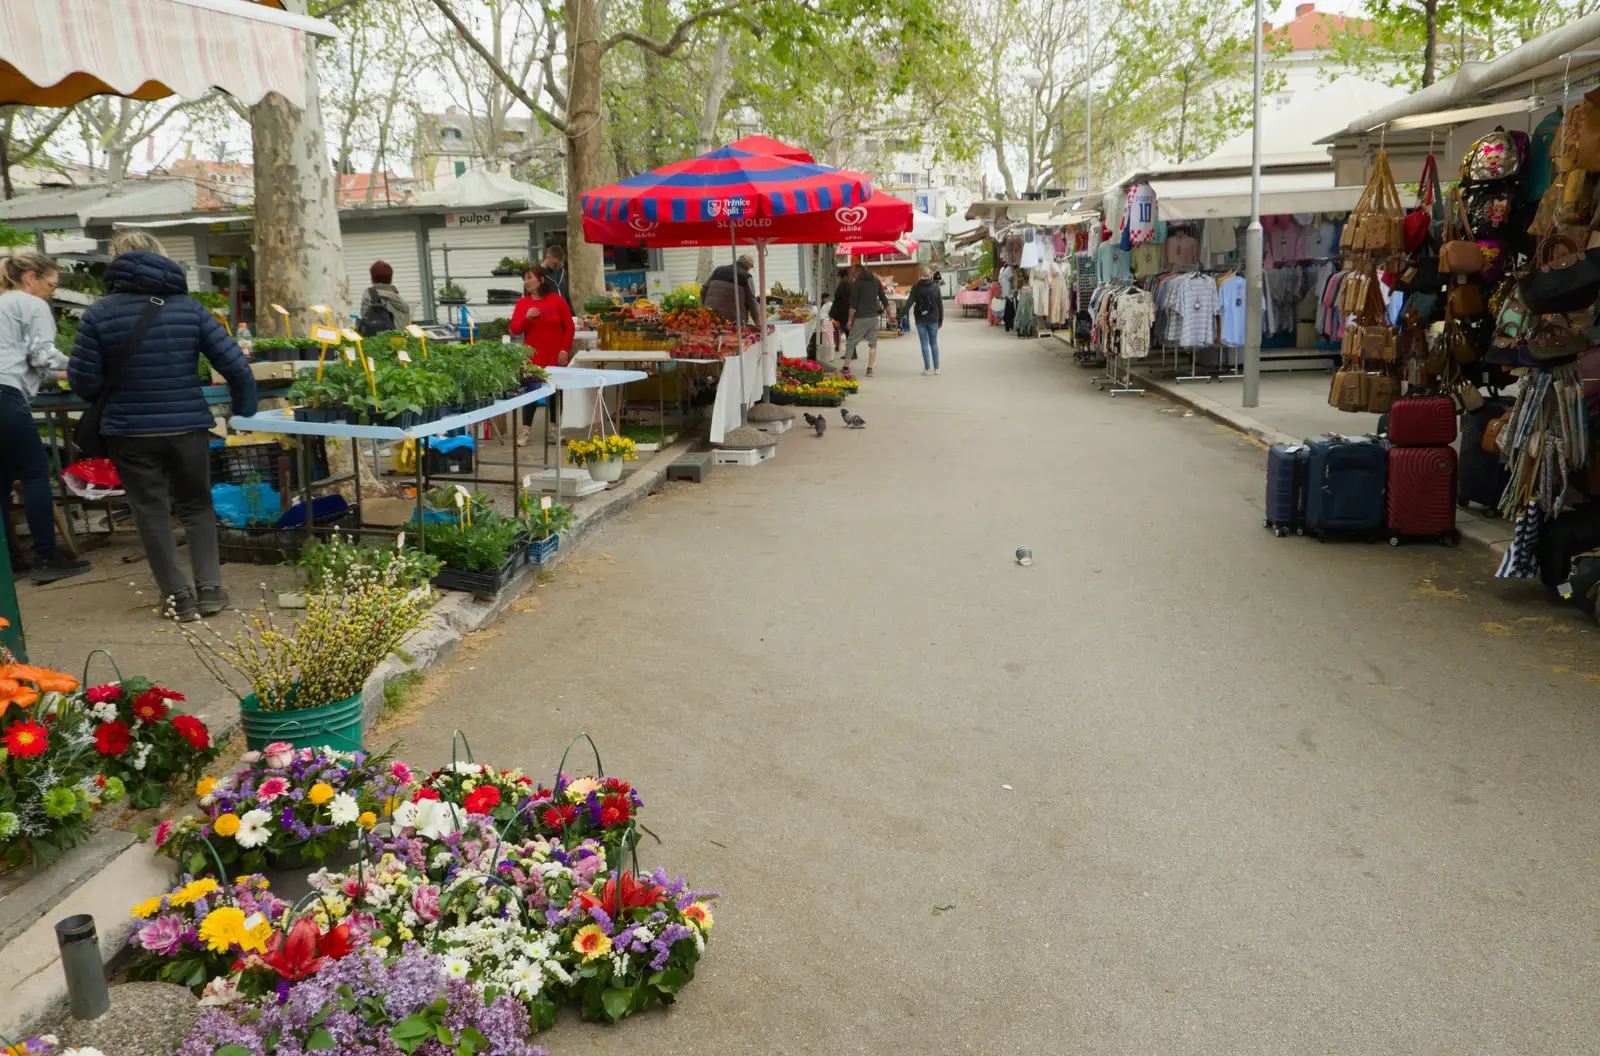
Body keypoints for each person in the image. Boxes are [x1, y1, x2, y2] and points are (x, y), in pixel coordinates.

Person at [69, 230, 256, 621]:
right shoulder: (189, 308)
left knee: (150, 511)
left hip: (128, 431)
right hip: (187, 425)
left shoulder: (99, 313)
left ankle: (178, 598)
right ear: (161, 256)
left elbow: (83, 383)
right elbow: (236, 366)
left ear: (116, 262)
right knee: (197, 506)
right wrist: (244, 413)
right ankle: (211, 590)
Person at [0, 251, 90, 582]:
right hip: (6, 396)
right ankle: (47, 558)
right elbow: (41, 357)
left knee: (1, 482)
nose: (52, 292)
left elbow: (24, 362)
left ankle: (10, 561)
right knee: (36, 474)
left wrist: (63, 371)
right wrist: (81, 366)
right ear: (30, 278)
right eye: (51, 285)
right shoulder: (32, 304)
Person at [509, 264, 575, 447]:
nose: (526, 282)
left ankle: (555, 430)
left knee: (555, 393)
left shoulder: (557, 301)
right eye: (524, 278)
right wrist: (526, 318)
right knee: (530, 391)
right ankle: (525, 431)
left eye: (529, 277)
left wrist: (564, 350)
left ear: (541, 280)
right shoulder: (523, 304)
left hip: (555, 356)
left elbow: (569, 326)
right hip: (532, 357)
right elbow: (514, 328)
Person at [845, 263, 889, 377]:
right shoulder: (876, 282)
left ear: (858, 272)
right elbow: (884, 299)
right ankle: (870, 369)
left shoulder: (856, 284)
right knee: (873, 344)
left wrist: (849, 321)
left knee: (850, 342)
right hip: (874, 317)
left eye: (853, 273)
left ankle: (846, 367)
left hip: (861, 317)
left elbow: (853, 305)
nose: (852, 275)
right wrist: (890, 315)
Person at [906, 265, 944, 375]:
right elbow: (940, 305)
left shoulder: (916, 287)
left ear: (920, 275)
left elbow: (908, 304)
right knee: (934, 343)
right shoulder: (935, 287)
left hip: (920, 319)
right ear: (930, 275)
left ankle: (927, 369)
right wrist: (940, 321)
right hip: (933, 319)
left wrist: (898, 318)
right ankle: (937, 369)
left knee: (924, 344)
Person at [356, 260, 411, 336]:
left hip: (378, 343)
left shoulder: (369, 295)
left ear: (372, 278)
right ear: (390, 278)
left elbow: (365, 321)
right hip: (401, 344)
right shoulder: (400, 301)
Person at [703, 254, 759, 324]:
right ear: (748, 265)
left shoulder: (717, 270)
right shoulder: (746, 276)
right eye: (751, 267)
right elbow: (752, 302)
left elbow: (703, 290)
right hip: (733, 322)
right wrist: (758, 323)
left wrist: (705, 307)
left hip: (711, 318)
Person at [827, 268, 852, 362]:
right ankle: (851, 353)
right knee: (848, 332)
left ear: (840, 276)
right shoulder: (849, 282)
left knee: (847, 331)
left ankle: (850, 353)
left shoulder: (843, 283)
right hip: (847, 308)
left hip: (843, 309)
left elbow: (837, 295)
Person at [541, 243, 571, 311]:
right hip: (547, 313)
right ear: (547, 257)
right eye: (555, 264)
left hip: (563, 313)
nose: (557, 268)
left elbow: (567, 296)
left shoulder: (562, 273)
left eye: (559, 265)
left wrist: (572, 314)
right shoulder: (536, 274)